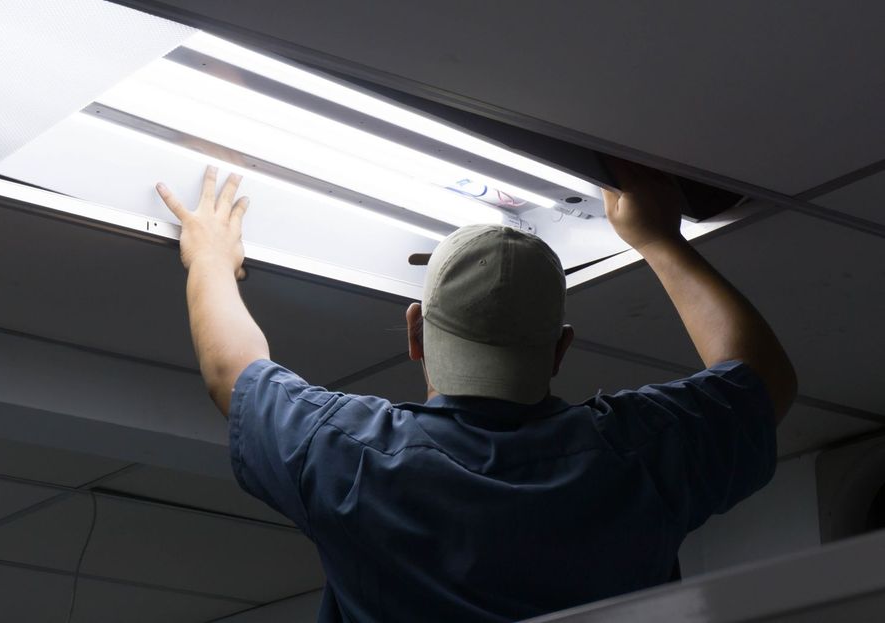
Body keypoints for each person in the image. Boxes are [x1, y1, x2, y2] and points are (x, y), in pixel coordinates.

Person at [155, 161, 796, 622]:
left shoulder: (351, 460)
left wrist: (209, 255)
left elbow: (233, 374)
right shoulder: (639, 458)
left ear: (416, 334)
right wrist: (660, 240)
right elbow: (762, 377)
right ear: (559, 350)